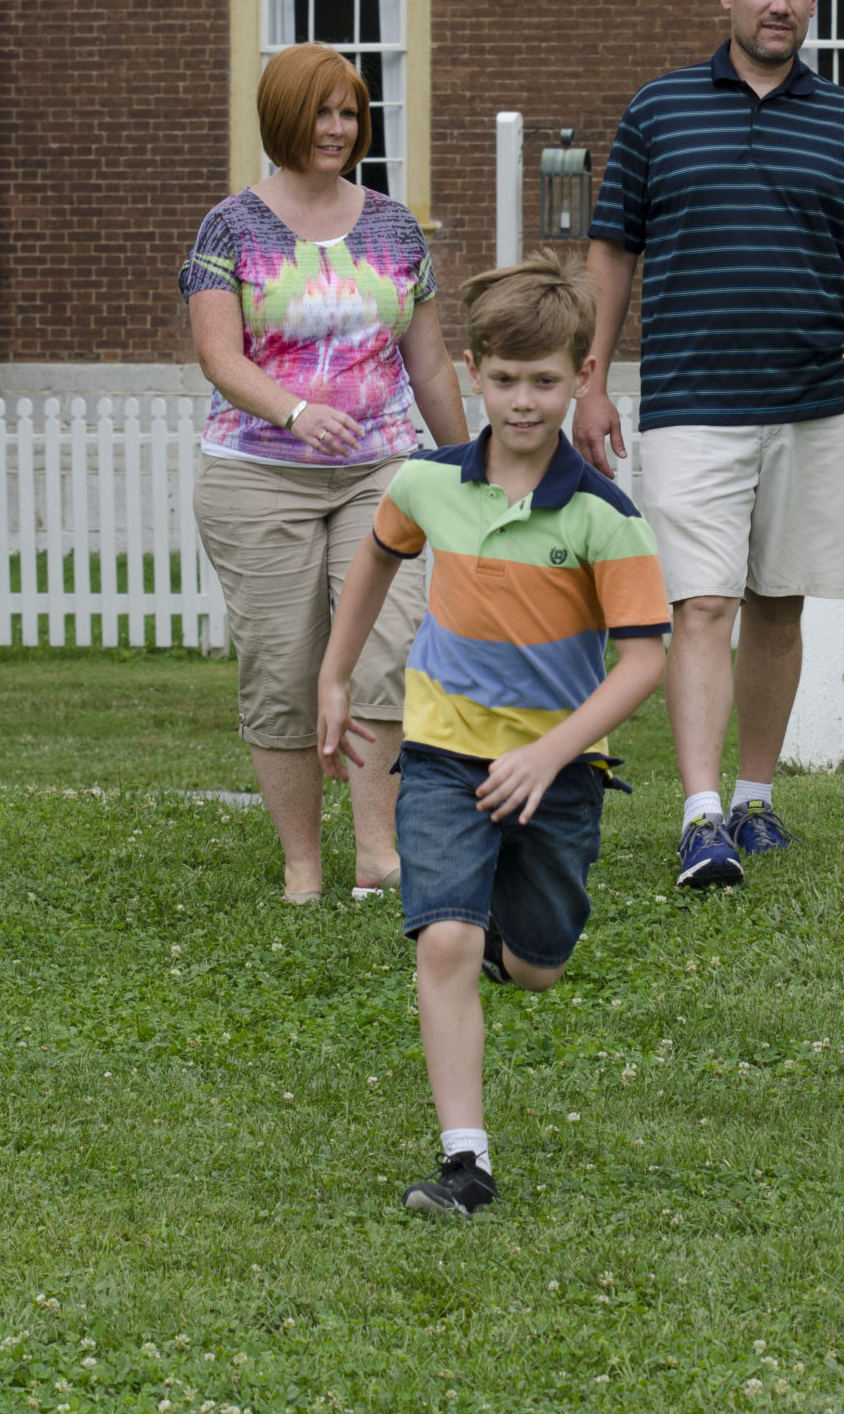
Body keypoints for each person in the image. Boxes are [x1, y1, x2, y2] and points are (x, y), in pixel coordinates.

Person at [316, 253, 670, 1217]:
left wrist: (552, 753)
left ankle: (506, 937)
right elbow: (375, 563)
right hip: (438, 755)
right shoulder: (427, 483)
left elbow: (644, 660)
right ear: (474, 372)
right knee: (445, 945)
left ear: (579, 379)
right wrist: (337, 676)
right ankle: (466, 1163)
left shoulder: (607, 517)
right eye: (505, 379)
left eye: (546, 381)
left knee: (542, 966)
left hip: (558, 770)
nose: (523, 401)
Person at [576, 0, 844, 890]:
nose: (781, 5)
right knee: (702, 603)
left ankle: (754, 798)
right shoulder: (658, 110)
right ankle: (698, 817)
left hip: (812, 403)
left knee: (777, 603)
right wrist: (591, 378)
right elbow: (613, 252)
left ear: (815, 0)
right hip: (691, 400)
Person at [184, 43, 468, 904]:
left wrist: (467, 469)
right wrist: (296, 411)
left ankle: (377, 853)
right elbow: (218, 357)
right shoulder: (230, 226)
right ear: (283, 119)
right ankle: (302, 860)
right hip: (255, 474)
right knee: (283, 662)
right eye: (321, 112)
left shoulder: (392, 226)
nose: (338, 128)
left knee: (388, 649)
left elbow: (430, 364)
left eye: (350, 112)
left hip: (380, 467)